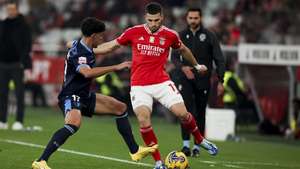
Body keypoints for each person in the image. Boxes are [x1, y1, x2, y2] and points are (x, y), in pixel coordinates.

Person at [92, 2, 218, 169]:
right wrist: (86, 49)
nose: (153, 24)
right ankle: (159, 162)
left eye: (157, 20)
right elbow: (111, 46)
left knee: (183, 113)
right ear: (146, 17)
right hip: (139, 86)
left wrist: (196, 65)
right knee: (144, 121)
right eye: (150, 20)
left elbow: (184, 50)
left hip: (162, 82)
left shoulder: (170, 35)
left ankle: (200, 139)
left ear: (162, 18)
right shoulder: (133, 32)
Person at [32, 17, 157, 169]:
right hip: (71, 95)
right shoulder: (80, 53)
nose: (102, 38)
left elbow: (70, 44)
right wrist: (116, 67)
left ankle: (135, 150)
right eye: (101, 35)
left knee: (120, 107)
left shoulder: (83, 45)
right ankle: (41, 161)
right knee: (74, 123)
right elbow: (86, 73)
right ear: (93, 36)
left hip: (84, 95)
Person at [170, 8, 225, 157]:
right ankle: (185, 146)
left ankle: (197, 147)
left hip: (203, 80)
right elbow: (174, 57)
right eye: (190, 18)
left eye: (196, 18)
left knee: (200, 113)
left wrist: (221, 80)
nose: (193, 20)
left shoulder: (209, 36)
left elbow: (219, 58)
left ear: (200, 18)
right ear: (186, 18)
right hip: (185, 79)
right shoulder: (180, 35)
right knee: (185, 112)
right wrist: (183, 68)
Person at [0, 1, 32, 130]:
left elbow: (27, 45)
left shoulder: (24, 25)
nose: (10, 12)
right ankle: (2, 120)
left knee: (19, 94)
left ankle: (19, 120)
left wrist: (23, 62)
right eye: (8, 9)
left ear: (17, 10)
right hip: (2, 64)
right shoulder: (2, 24)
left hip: (17, 64)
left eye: (12, 9)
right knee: (2, 94)